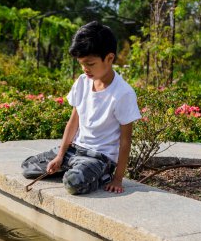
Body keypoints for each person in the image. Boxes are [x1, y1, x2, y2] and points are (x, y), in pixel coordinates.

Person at [21, 21, 141, 194]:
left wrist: (118, 178)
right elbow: (73, 122)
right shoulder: (82, 82)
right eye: (81, 63)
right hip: (74, 151)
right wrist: (60, 155)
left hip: (99, 158)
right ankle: (71, 167)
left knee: (72, 183)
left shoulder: (123, 93)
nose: (85, 69)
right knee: (28, 167)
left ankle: (100, 175)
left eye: (90, 64)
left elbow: (125, 141)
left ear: (109, 58)